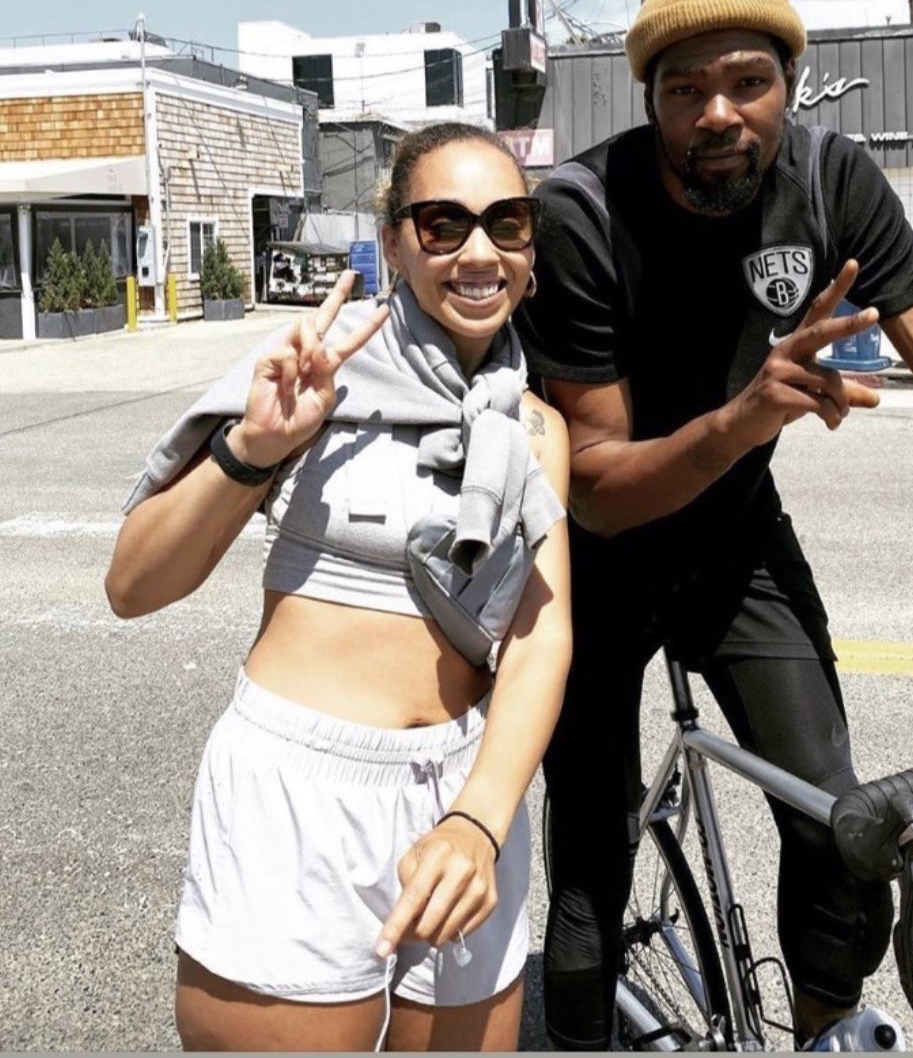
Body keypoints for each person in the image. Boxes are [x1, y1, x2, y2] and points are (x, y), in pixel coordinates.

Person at [516, 0, 913, 1051]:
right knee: (586, 879)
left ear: (790, 86)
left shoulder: (832, 180)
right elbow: (597, 489)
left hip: (734, 539)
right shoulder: (581, 212)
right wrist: (743, 418)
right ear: (649, 100)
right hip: (597, 558)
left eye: (746, 82)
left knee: (842, 833)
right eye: (684, 89)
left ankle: (819, 1030)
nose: (717, 113)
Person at [105, 122, 571, 1053]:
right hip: (300, 796)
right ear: (394, 240)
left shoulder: (533, 427)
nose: (480, 252)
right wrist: (254, 448)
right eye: (444, 224)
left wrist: (480, 818)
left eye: (507, 222)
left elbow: (539, 637)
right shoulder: (314, 370)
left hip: (465, 794)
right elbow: (134, 584)